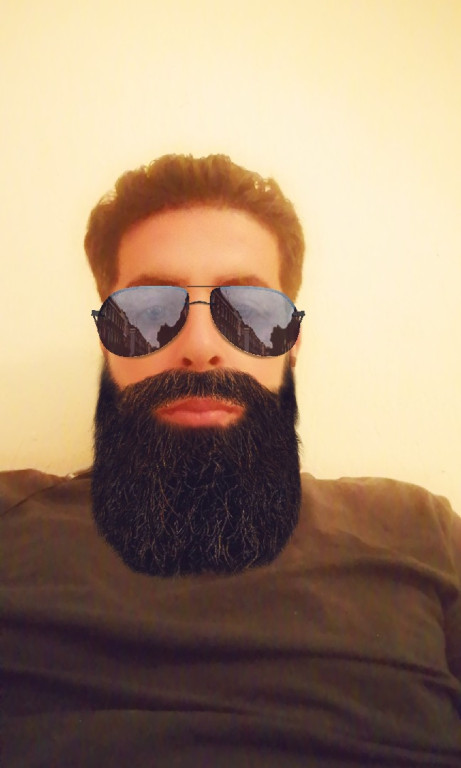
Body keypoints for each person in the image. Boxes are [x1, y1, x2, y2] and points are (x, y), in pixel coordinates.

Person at [1, 154, 460, 767]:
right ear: (109, 342)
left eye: (248, 309)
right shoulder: (8, 524)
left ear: (291, 344)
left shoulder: (417, 529)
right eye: (148, 311)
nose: (199, 347)